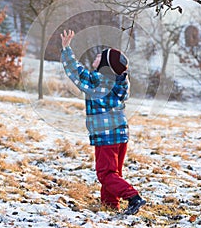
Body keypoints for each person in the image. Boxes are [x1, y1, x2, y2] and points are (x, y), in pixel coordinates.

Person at [60, 29, 146, 214]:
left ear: (106, 65)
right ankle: (110, 205)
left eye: (100, 57)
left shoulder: (97, 81)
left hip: (106, 136)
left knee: (105, 174)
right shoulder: (120, 83)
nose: (96, 56)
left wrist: (66, 49)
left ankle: (133, 197)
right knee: (114, 174)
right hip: (121, 134)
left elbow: (75, 71)